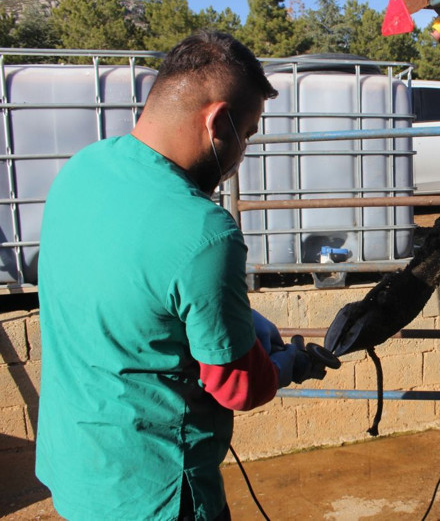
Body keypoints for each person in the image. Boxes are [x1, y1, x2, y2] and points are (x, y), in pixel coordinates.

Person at [36, 31, 313, 520]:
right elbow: (237, 386)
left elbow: (138, 288)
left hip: (79, 473)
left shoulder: (83, 169)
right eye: (246, 133)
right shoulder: (204, 231)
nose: (242, 151)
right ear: (217, 121)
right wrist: (286, 365)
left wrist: (243, 321)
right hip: (157, 494)